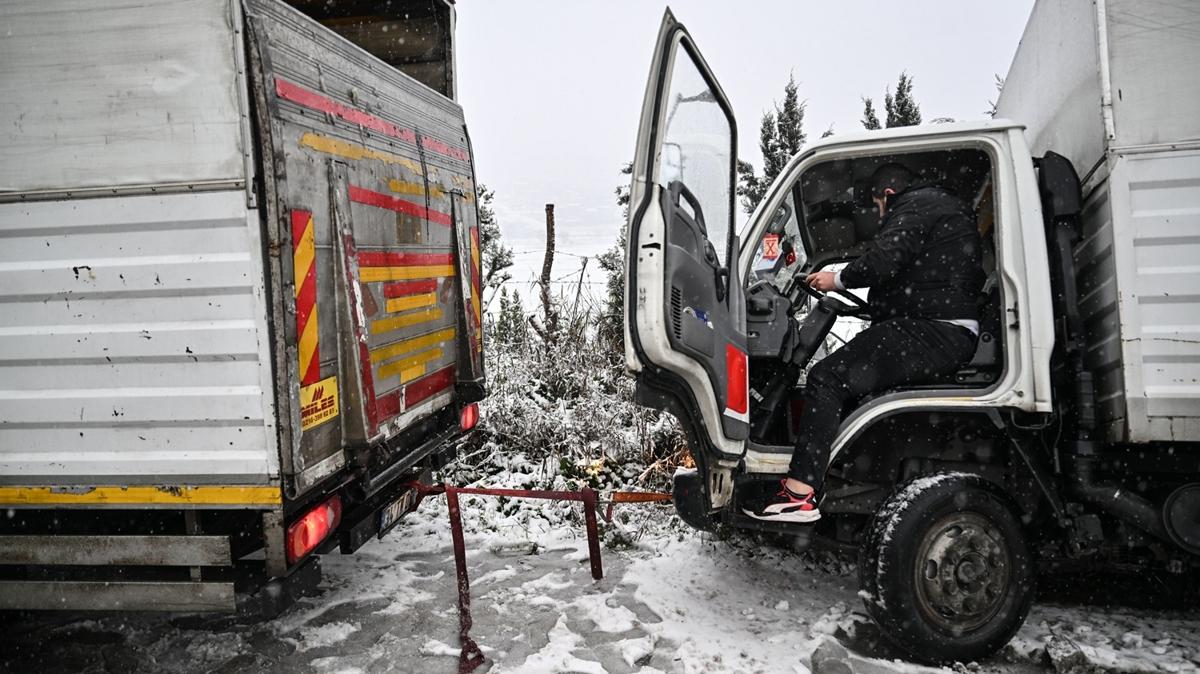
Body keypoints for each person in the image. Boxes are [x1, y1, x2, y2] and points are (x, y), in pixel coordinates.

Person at [745, 162, 985, 523]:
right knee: (849, 385)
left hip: (935, 330)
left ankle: (799, 493)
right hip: (939, 327)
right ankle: (837, 478)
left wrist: (836, 278)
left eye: (878, 208)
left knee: (827, 379)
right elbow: (899, 274)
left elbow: (884, 260)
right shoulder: (936, 207)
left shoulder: (916, 203)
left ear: (886, 195)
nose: (880, 216)